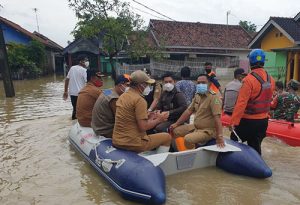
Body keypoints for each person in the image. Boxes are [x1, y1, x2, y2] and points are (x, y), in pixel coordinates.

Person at [112, 70, 172, 153]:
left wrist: (149, 117)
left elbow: (131, 119)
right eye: (147, 84)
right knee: (167, 137)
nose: (148, 86)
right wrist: (159, 119)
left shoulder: (123, 96)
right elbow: (143, 127)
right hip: (132, 143)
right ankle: (159, 162)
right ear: (141, 85)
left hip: (117, 140)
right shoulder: (139, 100)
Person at [230, 49, 275, 155]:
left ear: (250, 62)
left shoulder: (248, 80)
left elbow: (241, 103)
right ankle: (258, 166)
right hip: (263, 122)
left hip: (248, 121)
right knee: (255, 147)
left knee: (233, 139)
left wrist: (234, 122)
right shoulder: (271, 79)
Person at [170, 73, 225, 149]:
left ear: (210, 84)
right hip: (196, 128)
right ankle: (181, 150)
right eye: (198, 83)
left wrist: (220, 136)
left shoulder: (214, 98)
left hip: (208, 130)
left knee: (188, 139)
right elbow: (188, 111)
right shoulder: (197, 95)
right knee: (175, 131)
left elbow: (217, 118)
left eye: (203, 83)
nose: (200, 85)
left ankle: (193, 155)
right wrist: (176, 124)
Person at [63, 55, 89, 120]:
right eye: (85, 60)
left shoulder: (72, 68)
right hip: (81, 94)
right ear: (81, 61)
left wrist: (65, 91)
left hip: (72, 93)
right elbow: (88, 82)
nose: (87, 62)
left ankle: (74, 122)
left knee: (75, 110)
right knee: (81, 111)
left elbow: (67, 79)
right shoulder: (84, 70)